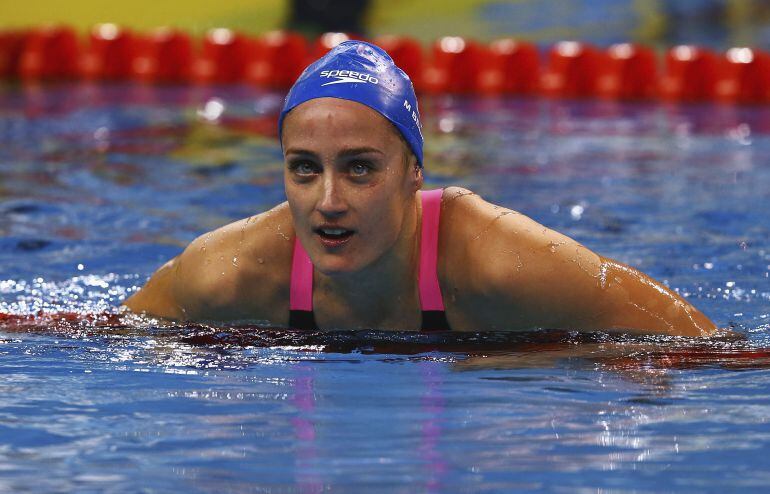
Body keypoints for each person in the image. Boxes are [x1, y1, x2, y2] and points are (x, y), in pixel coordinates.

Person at [123, 41, 717, 337]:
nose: (327, 201)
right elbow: (96, 336)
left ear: (414, 174)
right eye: (304, 168)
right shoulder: (227, 273)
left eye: (360, 168)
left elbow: (706, 348)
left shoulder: (495, 262)